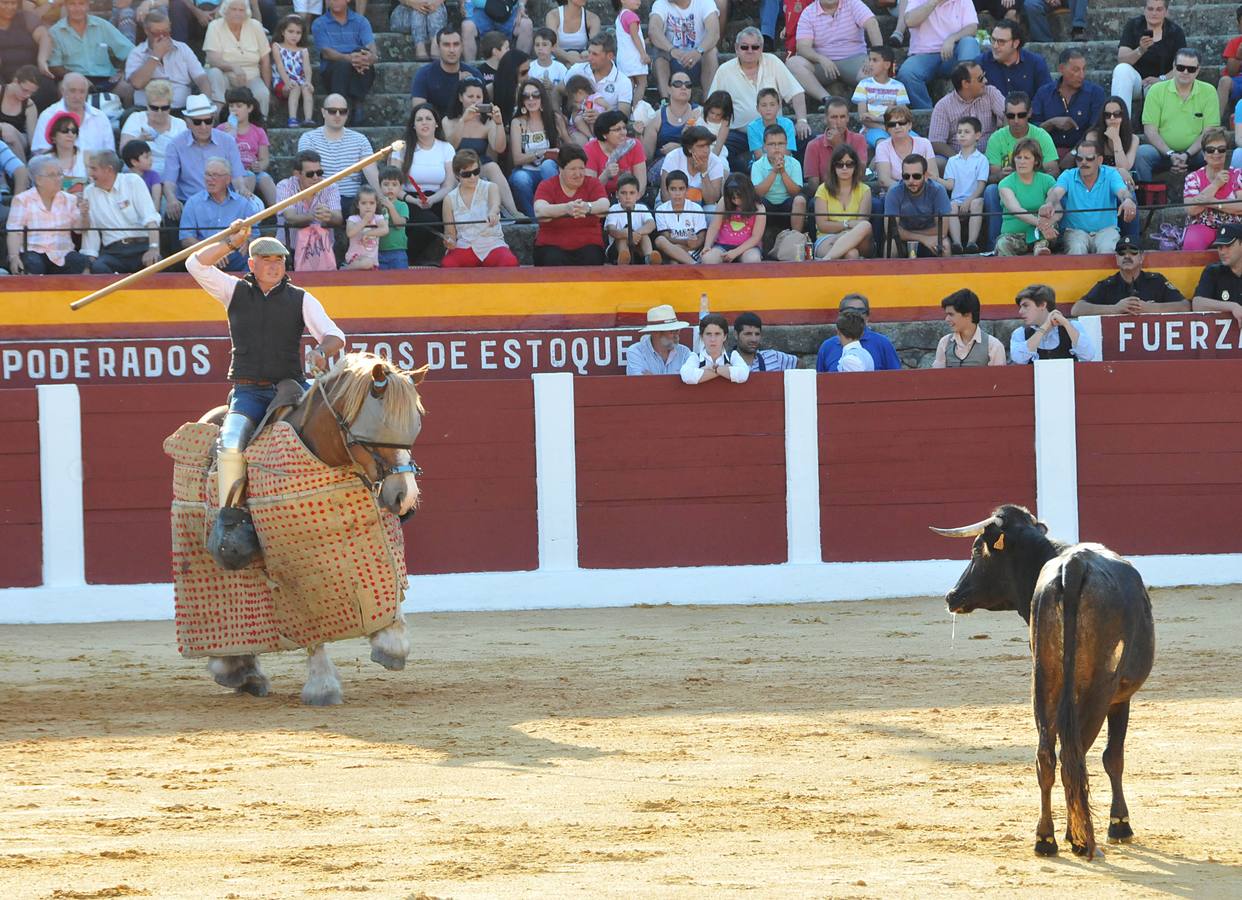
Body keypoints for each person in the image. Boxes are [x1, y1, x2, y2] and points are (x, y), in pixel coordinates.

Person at [185, 223, 345, 564]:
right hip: (249, 392)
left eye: (279, 260)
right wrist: (231, 241)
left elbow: (334, 336)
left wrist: (321, 352)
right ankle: (230, 521)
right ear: (252, 264)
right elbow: (195, 264)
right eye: (266, 260)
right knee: (229, 446)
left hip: (291, 387)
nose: (274, 266)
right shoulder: (233, 291)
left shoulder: (301, 298)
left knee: (334, 427)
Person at [708, 27, 809, 172]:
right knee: (722, 148)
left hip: (776, 129)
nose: (750, 50)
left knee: (806, 137)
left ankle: (797, 177)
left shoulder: (773, 61)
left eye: (755, 47)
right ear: (736, 48)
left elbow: (796, 92)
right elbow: (713, 104)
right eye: (744, 47)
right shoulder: (724, 70)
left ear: (761, 48)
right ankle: (749, 174)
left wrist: (802, 121)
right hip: (741, 133)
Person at [1040, 137, 1136, 256]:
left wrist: (1127, 200)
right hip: (1075, 231)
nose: (1083, 162)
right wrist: (1049, 203)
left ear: (1100, 160)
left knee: (1107, 249)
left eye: (1089, 159)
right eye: (1079, 158)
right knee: (1077, 248)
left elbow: (1123, 192)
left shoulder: (1111, 174)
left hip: (1106, 230)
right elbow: (1055, 193)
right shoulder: (1068, 175)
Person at [1135, 49, 1219, 184]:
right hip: (1162, 153)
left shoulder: (1209, 91)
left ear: (1197, 71)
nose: (1185, 72)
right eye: (1181, 67)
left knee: (1215, 150)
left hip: (1196, 153)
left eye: (1191, 69)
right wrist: (1170, 154)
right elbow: (1150, 131)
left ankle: (1211, 198)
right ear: (1173, 68)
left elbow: (1209, 132)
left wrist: (1187, 154)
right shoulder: (1156, 90)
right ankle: (1144, 199)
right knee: (1141, 154)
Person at [443, 78, 521, 216]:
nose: (475, 101)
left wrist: (498, 123)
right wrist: (463, 121)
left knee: (493, 167)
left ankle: (514, 211)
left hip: (480, 164)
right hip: (456, 165)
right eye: (470, 96)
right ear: (461, 97)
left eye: (478, 97)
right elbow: (451, 146)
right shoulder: (448, 120)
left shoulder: (487, 122)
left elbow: (499, 148)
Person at [296, 94, 380, 217]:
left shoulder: (360, 139)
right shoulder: (309, 138)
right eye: (332, 111)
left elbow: (371, 171)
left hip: (352, 199)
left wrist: (381, 199)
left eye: (342, 111)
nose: (337, 115)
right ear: (323, 112)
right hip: (321, 198)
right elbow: (307, 173)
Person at [79, 149, 161, 274]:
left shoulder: (132, 181)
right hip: (114, 252)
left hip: (141, 247)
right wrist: (88, 264)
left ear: (108, 169)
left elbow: (151, 218)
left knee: (157, 263)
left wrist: (154, 248)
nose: (89, 173)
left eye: (94, 169)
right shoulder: (89, 191)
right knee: (98, 267)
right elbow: (92, 233)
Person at [393, 102, 456, 262]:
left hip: (438, 197)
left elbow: (449, 184)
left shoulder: (446, 148)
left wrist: (433, 199)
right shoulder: (401, 148)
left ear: (436, 123)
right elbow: (393, 185)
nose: (424, 122)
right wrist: (413, 200)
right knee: (429, 221)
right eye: (419, 119)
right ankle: (407, 258)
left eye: (429, 118)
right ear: (413, 125)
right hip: (409, 199)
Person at [786, 0, 881, 103]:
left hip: (854, 59)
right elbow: (803, 47)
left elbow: (872, 24)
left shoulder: (853, 3)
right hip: (823, 65)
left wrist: (874, 56)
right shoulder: (808, 13)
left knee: (877, 69)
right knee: (793, 63)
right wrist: (820, 58)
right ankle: (827, 99)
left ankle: (867, 108)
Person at [179, 156, 263, 271]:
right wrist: (212, 252)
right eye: (208, 174)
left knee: (254, 260)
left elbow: (255, 235)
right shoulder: (193, 203)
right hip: (204, 258)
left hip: (237, 257)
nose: (210, 179)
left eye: (215, 175)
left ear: (228, 179)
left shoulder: (242, 203)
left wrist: (248, 241)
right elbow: (186, 239)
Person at [5, 155, 85, 274]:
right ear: (38, 180)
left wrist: (84, 214)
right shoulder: (22, 200)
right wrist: (13, 257)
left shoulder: (70, 199)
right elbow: (14, 232)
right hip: (34, 252)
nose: (58, 178)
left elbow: (79, 230)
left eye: (60, 174)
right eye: (53, 175)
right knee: (32, 264)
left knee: (80, 261)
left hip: (62, 253)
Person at [441, 147, 520, 267]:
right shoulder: (449, 199)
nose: (473, 177)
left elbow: (495, 205)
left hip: (491, 244)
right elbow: (450, 233)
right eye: (467, 174)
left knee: (510, 262)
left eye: (476, 172)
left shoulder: (491, 187)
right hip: (465, 246)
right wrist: (450, 242)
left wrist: (493, 213)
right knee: (448, 264)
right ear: (457, 175)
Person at [533, 141, 608, 265]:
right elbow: (540, 210)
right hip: (551, 245)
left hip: (589, 245)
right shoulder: (547, 186)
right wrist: (566, 209)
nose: (578, 174)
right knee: (552, 259)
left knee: (592, 258)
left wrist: (587, 207)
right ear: (560, 169)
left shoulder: (593, 183)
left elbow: (604, 205)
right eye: (573, 169)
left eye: (582, 169)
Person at [897, 0, 980, 112]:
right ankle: (929, 114)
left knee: (970, 43)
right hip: (923, 55)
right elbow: (909, 21)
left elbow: (972, 27)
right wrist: (933, 2)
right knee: (907, 73)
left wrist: (952, 38)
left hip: (952, 54)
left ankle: (970, 104)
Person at [1071, 236, 1188, 316]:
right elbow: (1077, 309)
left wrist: (1148, 308)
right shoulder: (1108, 285)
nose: (1127, 256)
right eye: (1122, 252)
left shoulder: (1156, 281)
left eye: (1133, 251)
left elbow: (1185, 306)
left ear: (1142, 257)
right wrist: (1115, 309)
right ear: (1116, 258)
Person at [1032, 49, 1107, 172]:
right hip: (1047, 154)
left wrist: (1074, 153)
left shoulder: (1095, 93)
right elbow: (1032, 129)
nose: (1082, 75)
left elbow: (1095, 129)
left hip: (1083, 154)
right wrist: (1051, 123)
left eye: (1084, 69)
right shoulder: (1044, 93)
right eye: (1076, 70)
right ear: (1061, 69)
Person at [48, 0, 134, 104]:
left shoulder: (102, 25)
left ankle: (126, 119)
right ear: (65, 6)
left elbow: (130, 51)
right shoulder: (55, 32)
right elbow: (54, 66)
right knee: (64, 88)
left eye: (81, 4)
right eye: (72, 4)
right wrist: (79, 78)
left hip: (107, 78)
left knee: (128, 88)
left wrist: (125, 72)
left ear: (88, 6)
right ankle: (72, 120)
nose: (77, 8)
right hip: (74, 77)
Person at [1110, 0, 1186, 115]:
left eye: (1159, 9)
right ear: (1144, 10)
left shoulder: (1175, 32)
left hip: (1161, 83)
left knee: (1160, 89)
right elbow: (1122, 60)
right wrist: (1140, 50)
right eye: (1150, 9)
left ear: (1166, 12)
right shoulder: (1133, 26)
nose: (1154, 13)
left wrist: (1161, 79)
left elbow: (1182, 67)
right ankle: (1120, 124)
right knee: (1121, 70)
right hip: (1135, 82)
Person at [124, 9, 209, 111]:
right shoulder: (137, 53)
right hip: (148, 109)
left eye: (166, 32)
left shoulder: (183, 49)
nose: (162, 36)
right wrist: (156, 56)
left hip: (180, 109)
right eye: (156, 33)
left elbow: (201, 78)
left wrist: (207, 102)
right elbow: (137, 83)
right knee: (128, 116)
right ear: (146, 31)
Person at [311, 0, 378, 123]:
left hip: (358, 67)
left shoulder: (361, 21)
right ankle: (344, 106)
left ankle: (357, 104)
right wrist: (350, 58)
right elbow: (327, 53)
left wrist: (367, 57)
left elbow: (372, 51)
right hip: (333, 70)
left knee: (362, 54)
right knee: (342, 65)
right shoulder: (319, 23)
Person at [509, 78, 566, 219]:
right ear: (521, 100)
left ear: (542, 97)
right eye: (526, 96)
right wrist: (541, 152)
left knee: (547, 165)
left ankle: (556, 214)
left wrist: (563, 136)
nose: (531, 99)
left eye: (535, 95)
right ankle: (535, 220)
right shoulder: (517, 122)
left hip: (550, 168)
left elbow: (568, 146)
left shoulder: (554, 118)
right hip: (526, 171)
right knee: (519, 178)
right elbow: (517, 159)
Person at [202, 0, 270, 115]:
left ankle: (260, 127)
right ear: (225, 11)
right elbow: (212, 58)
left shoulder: (255, 26)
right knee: (214, 72)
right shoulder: (215, 26)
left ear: (246, 12)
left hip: (251, 76)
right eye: (233, 9)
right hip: (224, 75)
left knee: (263, 94)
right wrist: (233, 67)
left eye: (241, 10)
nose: (237, 13)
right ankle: (218, 115)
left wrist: (268, 88)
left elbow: (265, 61)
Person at [927, 62, 1005, 162]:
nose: (985, 81)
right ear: (965, 84)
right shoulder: (943, 106)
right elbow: (936, 142)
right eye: (980, 78)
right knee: (938, 162)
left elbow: (1009, 114)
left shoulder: (990, 92)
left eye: (984, 76)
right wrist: (960, 160)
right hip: (957, 157)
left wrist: (1004, 136)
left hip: (991, 155)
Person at [1182, 128, 1242, 252]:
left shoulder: (1237, 174)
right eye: (1210, 150)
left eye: (1221, 149)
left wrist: (1211, 202)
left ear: (1226, 153)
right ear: (1204, 154)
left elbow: (1240, 206)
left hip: (1234, 227)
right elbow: (1191, 209)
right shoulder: (1193, 178)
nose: (1216, 153)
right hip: (1202, 226)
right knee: (1192, 243)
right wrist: (1215, 184)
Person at [275, 148, 343, 256]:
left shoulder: (331, 187)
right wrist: (314, 215)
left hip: (323, 251)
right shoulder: (285, 186)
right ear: (297, 174)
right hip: (289, 250)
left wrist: (329, 216)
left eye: (319, 172)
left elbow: (338, 218)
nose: (316, 177)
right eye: (310, 174)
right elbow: (290, 217)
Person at [1009, 283, 1099, 364]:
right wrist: (1044, 327)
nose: (1020, 311)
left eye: (1025, 306)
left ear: (1042, 305)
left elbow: (1088, 355)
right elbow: (1018, 359)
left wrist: (1066, 324)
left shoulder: (1072, 326)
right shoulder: (1020, 333)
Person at [996, 138, 1056, 256]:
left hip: (1041, 233)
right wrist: (1042, 224)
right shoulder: (1005, 184)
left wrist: (1046, 222)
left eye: (1027, 158)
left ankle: (1039, 248)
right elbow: (1016, 210)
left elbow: (1055, 203)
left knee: (1050, 227)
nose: (1021, 162)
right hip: (1014, 235)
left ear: (1036, 161)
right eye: (1018, 157)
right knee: (1002, 244)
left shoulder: (1048, 180)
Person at [217, 86, 275, 206]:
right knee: (249, 177)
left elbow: (265, 159)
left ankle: (279, 214)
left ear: (249, 108)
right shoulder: (221, 129)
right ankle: (243, 212)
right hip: (232, 171)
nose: (234, 110)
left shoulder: (258, 131)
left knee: (265, 179)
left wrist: (260, 166)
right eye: (231, 106)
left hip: (252, 169)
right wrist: (229, 135)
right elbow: (218, 155)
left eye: (239, 106)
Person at [885, 152, 951, 257]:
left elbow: (943, 230)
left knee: (945, 245)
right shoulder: (894, 191)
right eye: (906, 176)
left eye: (916, 176)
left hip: (929, 237)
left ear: (925, 176)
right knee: (891, 245)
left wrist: (907, 233)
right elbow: (890, 230)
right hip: (905, 240)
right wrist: (923, 239)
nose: (911, 181)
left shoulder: (938, 190)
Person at [31, 73, 115, 155]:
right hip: (59, 168)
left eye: (82, 92)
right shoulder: (48, 115)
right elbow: (40, 153)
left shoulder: (100, 117)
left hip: (95, 167)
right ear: (63, 91)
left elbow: (109, 153)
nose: (77, 96)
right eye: (72, 91)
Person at [649, 0, 719, 99]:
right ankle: (665, 99)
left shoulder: (705, 2)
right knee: (659, 50)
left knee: (711, 51)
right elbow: (653, 31)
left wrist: (698, 51)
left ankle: (709, 100)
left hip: (699, 60)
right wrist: (672, 50)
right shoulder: (661, 3)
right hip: (671, 60)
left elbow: (714, 33)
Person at [813, 142, 871, 259]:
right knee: (851, 254)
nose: (844, 168)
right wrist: (846, 224)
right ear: (833, 167)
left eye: (849, 164)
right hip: (827, 238)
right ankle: (827, 259)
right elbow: (822, 225)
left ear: (855, 167)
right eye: (840, 164)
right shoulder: (822, 189)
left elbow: (860, 225)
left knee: (865, 225)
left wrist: (844, 233)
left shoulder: (865, 190)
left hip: (855, 238)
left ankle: (826, 261)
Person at [816, 293, 901, 370]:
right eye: (849, 311)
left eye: (860, 311)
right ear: (840, 316)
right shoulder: (827, 347)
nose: (855, 315)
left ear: (867, 317)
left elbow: (896, 379)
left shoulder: (882, 344)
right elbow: (819, 382)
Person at [411, 26, 482, 117]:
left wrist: (466, 87)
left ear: (462, 47)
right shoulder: (424, 74)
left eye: (456, 44)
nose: (452, 50)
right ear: (438, 47)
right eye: (446, 45)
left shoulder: (474, 75)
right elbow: (419, 112)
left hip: (465, 125)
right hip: (434, 127)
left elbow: (482, 113)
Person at [942, 115, 987, 253]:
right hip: (957, 200)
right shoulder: (952, 160)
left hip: (973, 198)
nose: (962, 135)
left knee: (976, 204)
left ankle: (971, 243)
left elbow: (981, 185)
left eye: (967, 132)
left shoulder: (981, 159)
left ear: (977, 135)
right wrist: (934, 178)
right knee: (951, 205)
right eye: (959, 132)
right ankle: (957, 243)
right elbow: (950, 185)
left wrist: (969, 200)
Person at [975, 20, 1049, 102]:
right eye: (993, 40)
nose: (995, 46)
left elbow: (1046, 96)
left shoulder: (1035, 63)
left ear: (1016, 43)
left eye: (1001, 42)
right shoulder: (981, 63)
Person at [701, 172, 766, 264]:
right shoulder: (723, 201)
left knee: (752, 260)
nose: (736, 201)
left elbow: (756, 237)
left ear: (747, 193)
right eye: (732, 197)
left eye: (739, 196)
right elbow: (714, 226)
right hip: (722, 245)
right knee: (708, 259)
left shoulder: (759, 207)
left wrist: (735, 252)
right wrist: (707, 245)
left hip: (748, 248)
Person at [873, 104, 938, 195]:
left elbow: (933, 175)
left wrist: (915, 190)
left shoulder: (925, 143)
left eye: (901, 123)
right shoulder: (882, 147)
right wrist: (909, 189)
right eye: (892, 124)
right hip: (895, 195)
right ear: (887, 128)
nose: (897, 126)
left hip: (923, 193)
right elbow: (884, 180)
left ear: (910, 125)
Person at [932, 288, 1006, 367]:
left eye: (951, 314)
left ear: (968, 314)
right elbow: (937, 377)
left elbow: (999, 378)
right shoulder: (944, 342)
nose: (947, 319)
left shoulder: (993, 345)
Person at [643, 67, 700, 168]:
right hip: (662, 164)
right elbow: (647, 156)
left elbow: (707, 148)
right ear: (668, 89)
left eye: (688, 85)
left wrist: (679, 149)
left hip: (691, 161)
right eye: (678, 84)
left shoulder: (699, 113)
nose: (683, 87)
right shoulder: (657, 116)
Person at [853, 46, 908, 149]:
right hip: (872, 129)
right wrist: (883, 127)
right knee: (883, 145)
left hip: (897, 127)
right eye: (869, 60)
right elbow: (863, 117)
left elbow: (903, 115)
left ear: (887, 65)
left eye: (875, 60)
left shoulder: (899, 86)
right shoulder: (863, 85)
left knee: (917, 142)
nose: (870, 64)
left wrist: (877, 119)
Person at [566, 31, 633, 116]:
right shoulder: (578, 69)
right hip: (578, 125)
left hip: (607, 127)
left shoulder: (623, 81)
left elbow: (623, 115)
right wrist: (558, 115)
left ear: (610, 56)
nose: (589, 58)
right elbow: (557, 91)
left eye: (595, 54)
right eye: (589, 52)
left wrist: (600, 118)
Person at [658, 125, 725, 210]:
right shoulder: (673, 157)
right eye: (701, 146)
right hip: (671, 203)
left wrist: (704, 172)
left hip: (701, 204)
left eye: (708, 146)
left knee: (711, 210)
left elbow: (711, 201)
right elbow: (666, 196)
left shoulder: (715, 162)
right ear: (689, 148)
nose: (706, 150)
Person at [654, 168, 706, 264]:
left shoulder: (696, 208)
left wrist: (690, 244)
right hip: (672, 250)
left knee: (674, 261)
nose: (677, 193)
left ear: (687, 190)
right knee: (660, 240)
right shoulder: (661, 210)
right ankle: (694, 265)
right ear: (667, 190)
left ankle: (692, 262)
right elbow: (665, 238)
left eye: (681, 189)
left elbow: (701, 238)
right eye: (673, 189)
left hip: (693, 251)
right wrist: (686, 242)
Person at [1191, 223, 1242, 322]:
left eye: (1228, 245)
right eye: (1219, 247)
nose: (1222, 252)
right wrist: (1233, 307)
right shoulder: (1213, 271)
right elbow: (1197, 304)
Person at [680, 312, 750, 384]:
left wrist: (711, 369)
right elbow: (687, 376)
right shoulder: (695, 357)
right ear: (701, 337)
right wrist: (725, 370)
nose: (713, 339)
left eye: (717, 334)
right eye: (708, 334)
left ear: (724, 336)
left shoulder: (732, 355)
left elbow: (743, 375)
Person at [603, 172, 657, 264]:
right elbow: (611, 230)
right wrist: (627, 234)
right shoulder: (614, 209)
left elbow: (651, 224)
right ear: (617, 195)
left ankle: (649, 257)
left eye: (632, 193)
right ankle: (624, 259)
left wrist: (637, 233)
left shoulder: (642, 208)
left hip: (638, 249)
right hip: (616, 251)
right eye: (623, 193)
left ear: (638, 195)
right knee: (622, 235)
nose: (628, 197)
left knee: (644, 235)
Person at [1084, 96, 1139, 184]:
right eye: (1107, 115)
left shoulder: (1133, 139)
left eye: (1117, 114)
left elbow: (1124, 167)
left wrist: (1116, 139)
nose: (1112, 118)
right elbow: (1091, 165)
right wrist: (1117, 170)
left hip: (1120, 182)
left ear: (1123, 115)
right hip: (1097, 181)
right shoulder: (1093, 136)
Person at [272, 14, 314, 126]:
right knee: (295, 87)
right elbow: (280, 66)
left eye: (298, 32)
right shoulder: (277, 46)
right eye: (290, 31)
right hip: (282, 83)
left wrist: (308, 82)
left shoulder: (303, 50)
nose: (294, 35)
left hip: (299, 81)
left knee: (306, 89)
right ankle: (292, 118)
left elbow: (307, 68)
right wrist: (287, 82)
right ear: (283, 32)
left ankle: (308, 119)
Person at [626, 302, 692, 374]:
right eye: (672, 331)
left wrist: (652, 380)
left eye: (678, 330)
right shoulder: (636, 352)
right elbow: (640, 384)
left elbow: (691, 381)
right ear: (655, 333)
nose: (677, 335)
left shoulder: (684, 352)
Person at [461, 0, 533, 62]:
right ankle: (471, 71)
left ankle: (521, 68)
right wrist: (462, 3)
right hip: (480, 10)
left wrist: (521, 5)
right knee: (467, 26)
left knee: (526, 24)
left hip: (508, 9)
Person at [36, 110, 86, 193]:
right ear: (53, 136)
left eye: (74, 131)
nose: (70, 134)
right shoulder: (44, 161)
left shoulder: (87, 158)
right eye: (64, 130)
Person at [545, 0, 599, 68]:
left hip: (583, 59)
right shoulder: (553, 15)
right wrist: (570, 58)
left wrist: (579, 60)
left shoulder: (593, 18)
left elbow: (595, 47)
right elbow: (554, 47)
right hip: (558, 61)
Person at [746, 86, 795, 161]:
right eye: (764, 105)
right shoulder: (752, 127)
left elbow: (787, 152)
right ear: (757, 108)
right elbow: (758, 155)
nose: (768, 109)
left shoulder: (788, 124)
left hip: (785, 161)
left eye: (772, 104)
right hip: (762, 164)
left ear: (778, 106)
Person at [614, 0, 649, 103]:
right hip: (635, 58)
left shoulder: (620, 16)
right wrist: (643, 54)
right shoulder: (631, 16)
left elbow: (628, 37)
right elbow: (634, 36)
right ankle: (636, 110)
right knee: (642, 83)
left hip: (623, 58)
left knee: (629, 85)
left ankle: (628, 108)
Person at [375, 165, 409, 269]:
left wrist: (391, 207)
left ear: (400, 187)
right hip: (378, 250)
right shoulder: (375, 205)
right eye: (386, 184)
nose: (390, 187)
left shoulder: (402, 205)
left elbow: (400, 225)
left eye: (394, 184)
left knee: (400, 281)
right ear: (380, 186)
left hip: (398, 251)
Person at [0, 66, 38, 158]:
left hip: (19, 139)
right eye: (25, 90)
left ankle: (22, 169)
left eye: (31, 93)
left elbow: (32, 139)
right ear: (15, 81)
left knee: (7, 131)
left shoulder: (29, 105)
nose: (28, 95)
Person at [833, 307, 874, 371]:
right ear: (861, 332)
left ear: (838, 332)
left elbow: (856, 380)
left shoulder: (850, 360)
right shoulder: (866, 353)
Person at [529, 27, 569, 93]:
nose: (540, 48)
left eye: (544, 45)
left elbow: (567, 91)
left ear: (553, 47)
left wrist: (552, 87)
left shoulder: (560, 68)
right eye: (537, 45)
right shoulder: (530, 67)